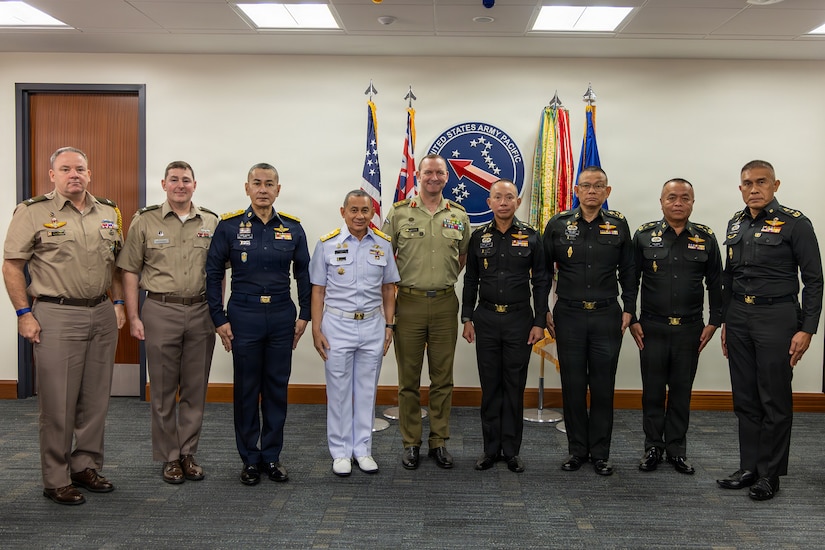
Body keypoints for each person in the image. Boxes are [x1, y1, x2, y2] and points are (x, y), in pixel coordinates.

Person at [3, 146, 125, 505]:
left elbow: (115, 265)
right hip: (56, 314)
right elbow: (12, 265)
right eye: (66, 168)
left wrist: (117, 303)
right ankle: (55, 478)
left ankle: (84, 465)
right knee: (57, 402)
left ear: (90, 174)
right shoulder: (33, 212)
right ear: (52, 174)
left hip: (101, 313)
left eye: (80, 169)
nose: (74, 174)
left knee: (95, 398)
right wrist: (24, 314)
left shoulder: (108, 211)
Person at [717, 160, 823, 501]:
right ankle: (749, 467)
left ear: (775, 185)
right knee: (745, 398)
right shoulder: (736, 223)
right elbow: (729, 277)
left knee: (774, 399)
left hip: (777, 317)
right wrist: (725, 321)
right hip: (739, 317)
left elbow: (814, 281)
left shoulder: (795, 223)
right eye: (747, 183)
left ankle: (770, 475)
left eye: (761, 182)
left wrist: (807, 328)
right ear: (740, 188)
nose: (754, 188)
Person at [205, 163, 310, 486]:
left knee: (277, 389)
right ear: (247, 187)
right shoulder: (229, 226)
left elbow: (304, 273)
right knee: (247, 389)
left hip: (280, 315)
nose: (263, 189)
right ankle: (250, 458)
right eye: (257, 183)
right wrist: (218, 318)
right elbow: (212, 274)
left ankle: (272, 456)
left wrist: (304, 315)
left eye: (269, 184)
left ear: (278, 189)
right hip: (244, 315)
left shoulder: (292, 228)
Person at [117, 161, 219, 484]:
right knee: (161, 389)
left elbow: (218, 274)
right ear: (163, 184)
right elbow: (130, 270)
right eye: (173, 180)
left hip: (201, 311)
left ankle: (188, 452)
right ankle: (169, 457)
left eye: (186, 180)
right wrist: (134, 315)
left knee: (194, 387)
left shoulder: (211, 222)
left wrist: (218, 314)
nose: (180, 185)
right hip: (160, 310)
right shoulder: (145, 221)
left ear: (194, 184)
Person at [542, 166, 635, 476]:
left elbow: (630, 272)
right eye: (586, 186)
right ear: (576, 191)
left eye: (598, 186)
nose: (592, 191)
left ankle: (601, 453)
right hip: (568, 314)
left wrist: (629, 308)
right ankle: (577, 451)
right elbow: (542, 272)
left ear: (607, 192)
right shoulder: (558, 225)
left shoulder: (619, 225)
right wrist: (542, 309)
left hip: (607, 315)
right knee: (572, 385)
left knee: (603, 385)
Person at [382, 154, 472, 470]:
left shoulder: (459, 215)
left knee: (442, 378)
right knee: (408, 379)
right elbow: (383, 256)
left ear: (447, 177)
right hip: (408, 303)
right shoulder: (399, 213)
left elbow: (462, 258)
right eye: (428, 172)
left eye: (439, 172)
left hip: (446, 303)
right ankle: (411, 443)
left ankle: (439, 441)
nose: (433, 177)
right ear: (418, 176)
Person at [630, 178, 722, 475]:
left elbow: (717, 283)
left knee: (682, 391)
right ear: (661, 201)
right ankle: (653, 447)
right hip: (652, 328)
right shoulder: (644, 236)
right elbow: (630, 281)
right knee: (653, 391)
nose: (678, 202)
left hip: (689, 329)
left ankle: (677, 450)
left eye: (685, 197)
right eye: (672, 197)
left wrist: (715, 321)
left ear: (693, 202)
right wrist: (631, 318)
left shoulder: (705, 238)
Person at [461, 179, 549, 473]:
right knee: (490, 386)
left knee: (514, 386)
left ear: (517, 202)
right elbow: (470, 279)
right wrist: (467, 317)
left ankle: (510, 451)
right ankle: (489, 449)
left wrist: (539, 321)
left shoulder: (532, 237)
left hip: (519, 320)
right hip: (485, 319)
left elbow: (540, 282)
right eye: (497, 197)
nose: (503, 202)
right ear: (489, 203)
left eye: (509, 197)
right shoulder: (478, 237)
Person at [309, 190, 399, 476]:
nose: (359, 216)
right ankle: (340, 452)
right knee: (337, 391)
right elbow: (318, 291)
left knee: (366, 390)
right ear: (343, 211)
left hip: (373, 324)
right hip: (337, 325)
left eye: (365, 210)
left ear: (372, 213)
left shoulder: (382, 245)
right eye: (354, 210)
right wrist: (316, 328)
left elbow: (388, 289)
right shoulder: (326, 244)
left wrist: (388, 325)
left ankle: (362, 449)